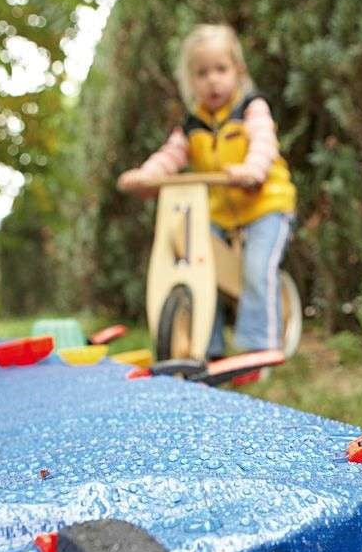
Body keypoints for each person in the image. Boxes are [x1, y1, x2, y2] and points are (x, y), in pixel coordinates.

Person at [118, 24, 295, 358]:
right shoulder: (192, 125)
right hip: (220, 211)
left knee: (257, 270)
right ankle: (206, 348)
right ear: (190, 82)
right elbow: (171, 155)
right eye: (202, 73)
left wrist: (252, 170)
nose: (212, 80)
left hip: (266, 205)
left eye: (221, 69)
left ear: (238, 72)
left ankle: (258, 351)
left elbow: (263, 142)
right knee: (199, 268)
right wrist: (146, 176)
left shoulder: (251, 109)